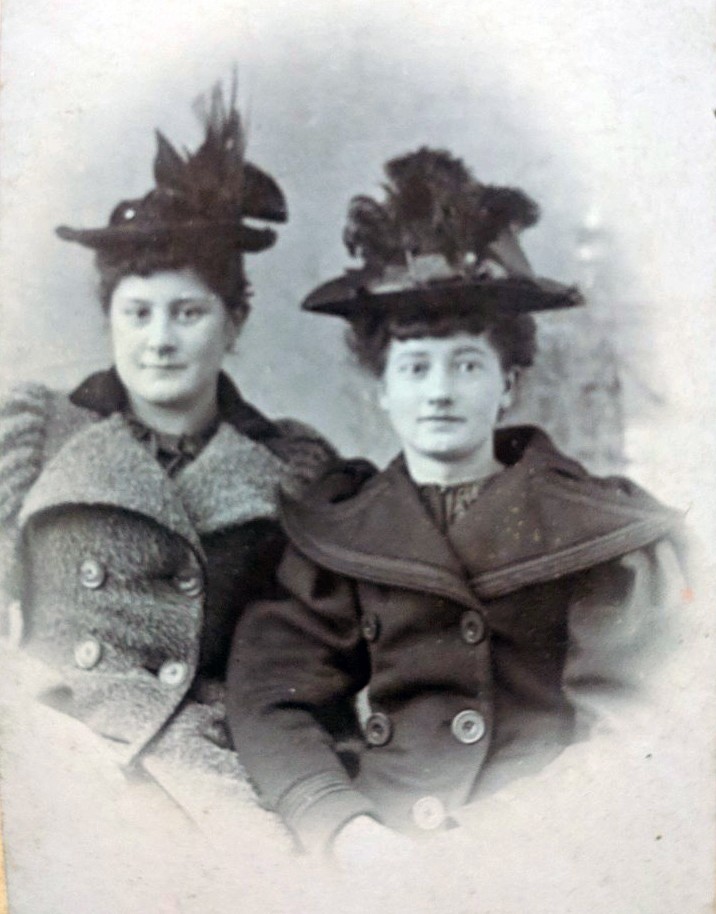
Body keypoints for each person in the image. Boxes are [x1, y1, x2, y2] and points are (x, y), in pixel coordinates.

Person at [227, 148, 685, 869]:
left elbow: (636, 722)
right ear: (381, 388)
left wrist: (511, 840)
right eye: (414, 367)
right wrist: (342, 827)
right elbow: (270, 697)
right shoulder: (346, 532)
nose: (438, 392)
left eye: (467, 364)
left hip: (551, 845)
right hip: (387, 848)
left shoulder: (600, 532)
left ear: (508, 382)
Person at [0, 81, 333, 907]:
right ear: (109, 318)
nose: (159, 339)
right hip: (49, 754)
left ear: (235, 322)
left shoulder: (290, 468)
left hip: (210, 769)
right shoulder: (34, 437)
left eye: (188, 312)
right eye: (137, 311)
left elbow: (309, 658)